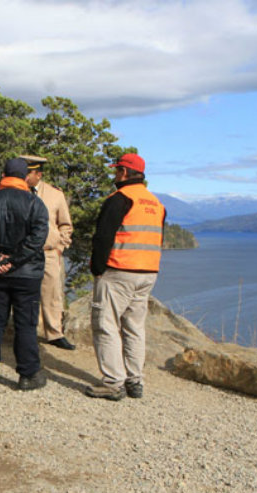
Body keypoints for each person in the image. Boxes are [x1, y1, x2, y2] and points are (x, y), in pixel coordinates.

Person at [85, 153, 166, 401]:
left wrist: (98, 268)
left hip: (119, 271)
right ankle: (135, 380)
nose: (114, 175)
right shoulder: (155, 204)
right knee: (134, 327)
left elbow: (103, 237)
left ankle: (112, 383)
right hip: (147, 273)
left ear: (123, 172)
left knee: (106, 325)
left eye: (116, 170)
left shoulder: (120, 199)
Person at [0, 158, 50, 390]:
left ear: (3, 174)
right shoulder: (35, 203)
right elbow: (37, 239)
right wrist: (14, 261)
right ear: (25, 177)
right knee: (25, 324)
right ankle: (28, 375)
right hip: (27, 274)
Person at [22, 155, 75, 350]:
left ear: (39, 174)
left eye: (30, 174)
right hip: (23, 254)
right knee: (24, 294)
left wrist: (61, 247)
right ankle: (25, 332)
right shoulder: (15, 192)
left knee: (52, 295)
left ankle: (54, 333)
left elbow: (65, 224)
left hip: (48, 253)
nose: (26, 177)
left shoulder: (55, 194)